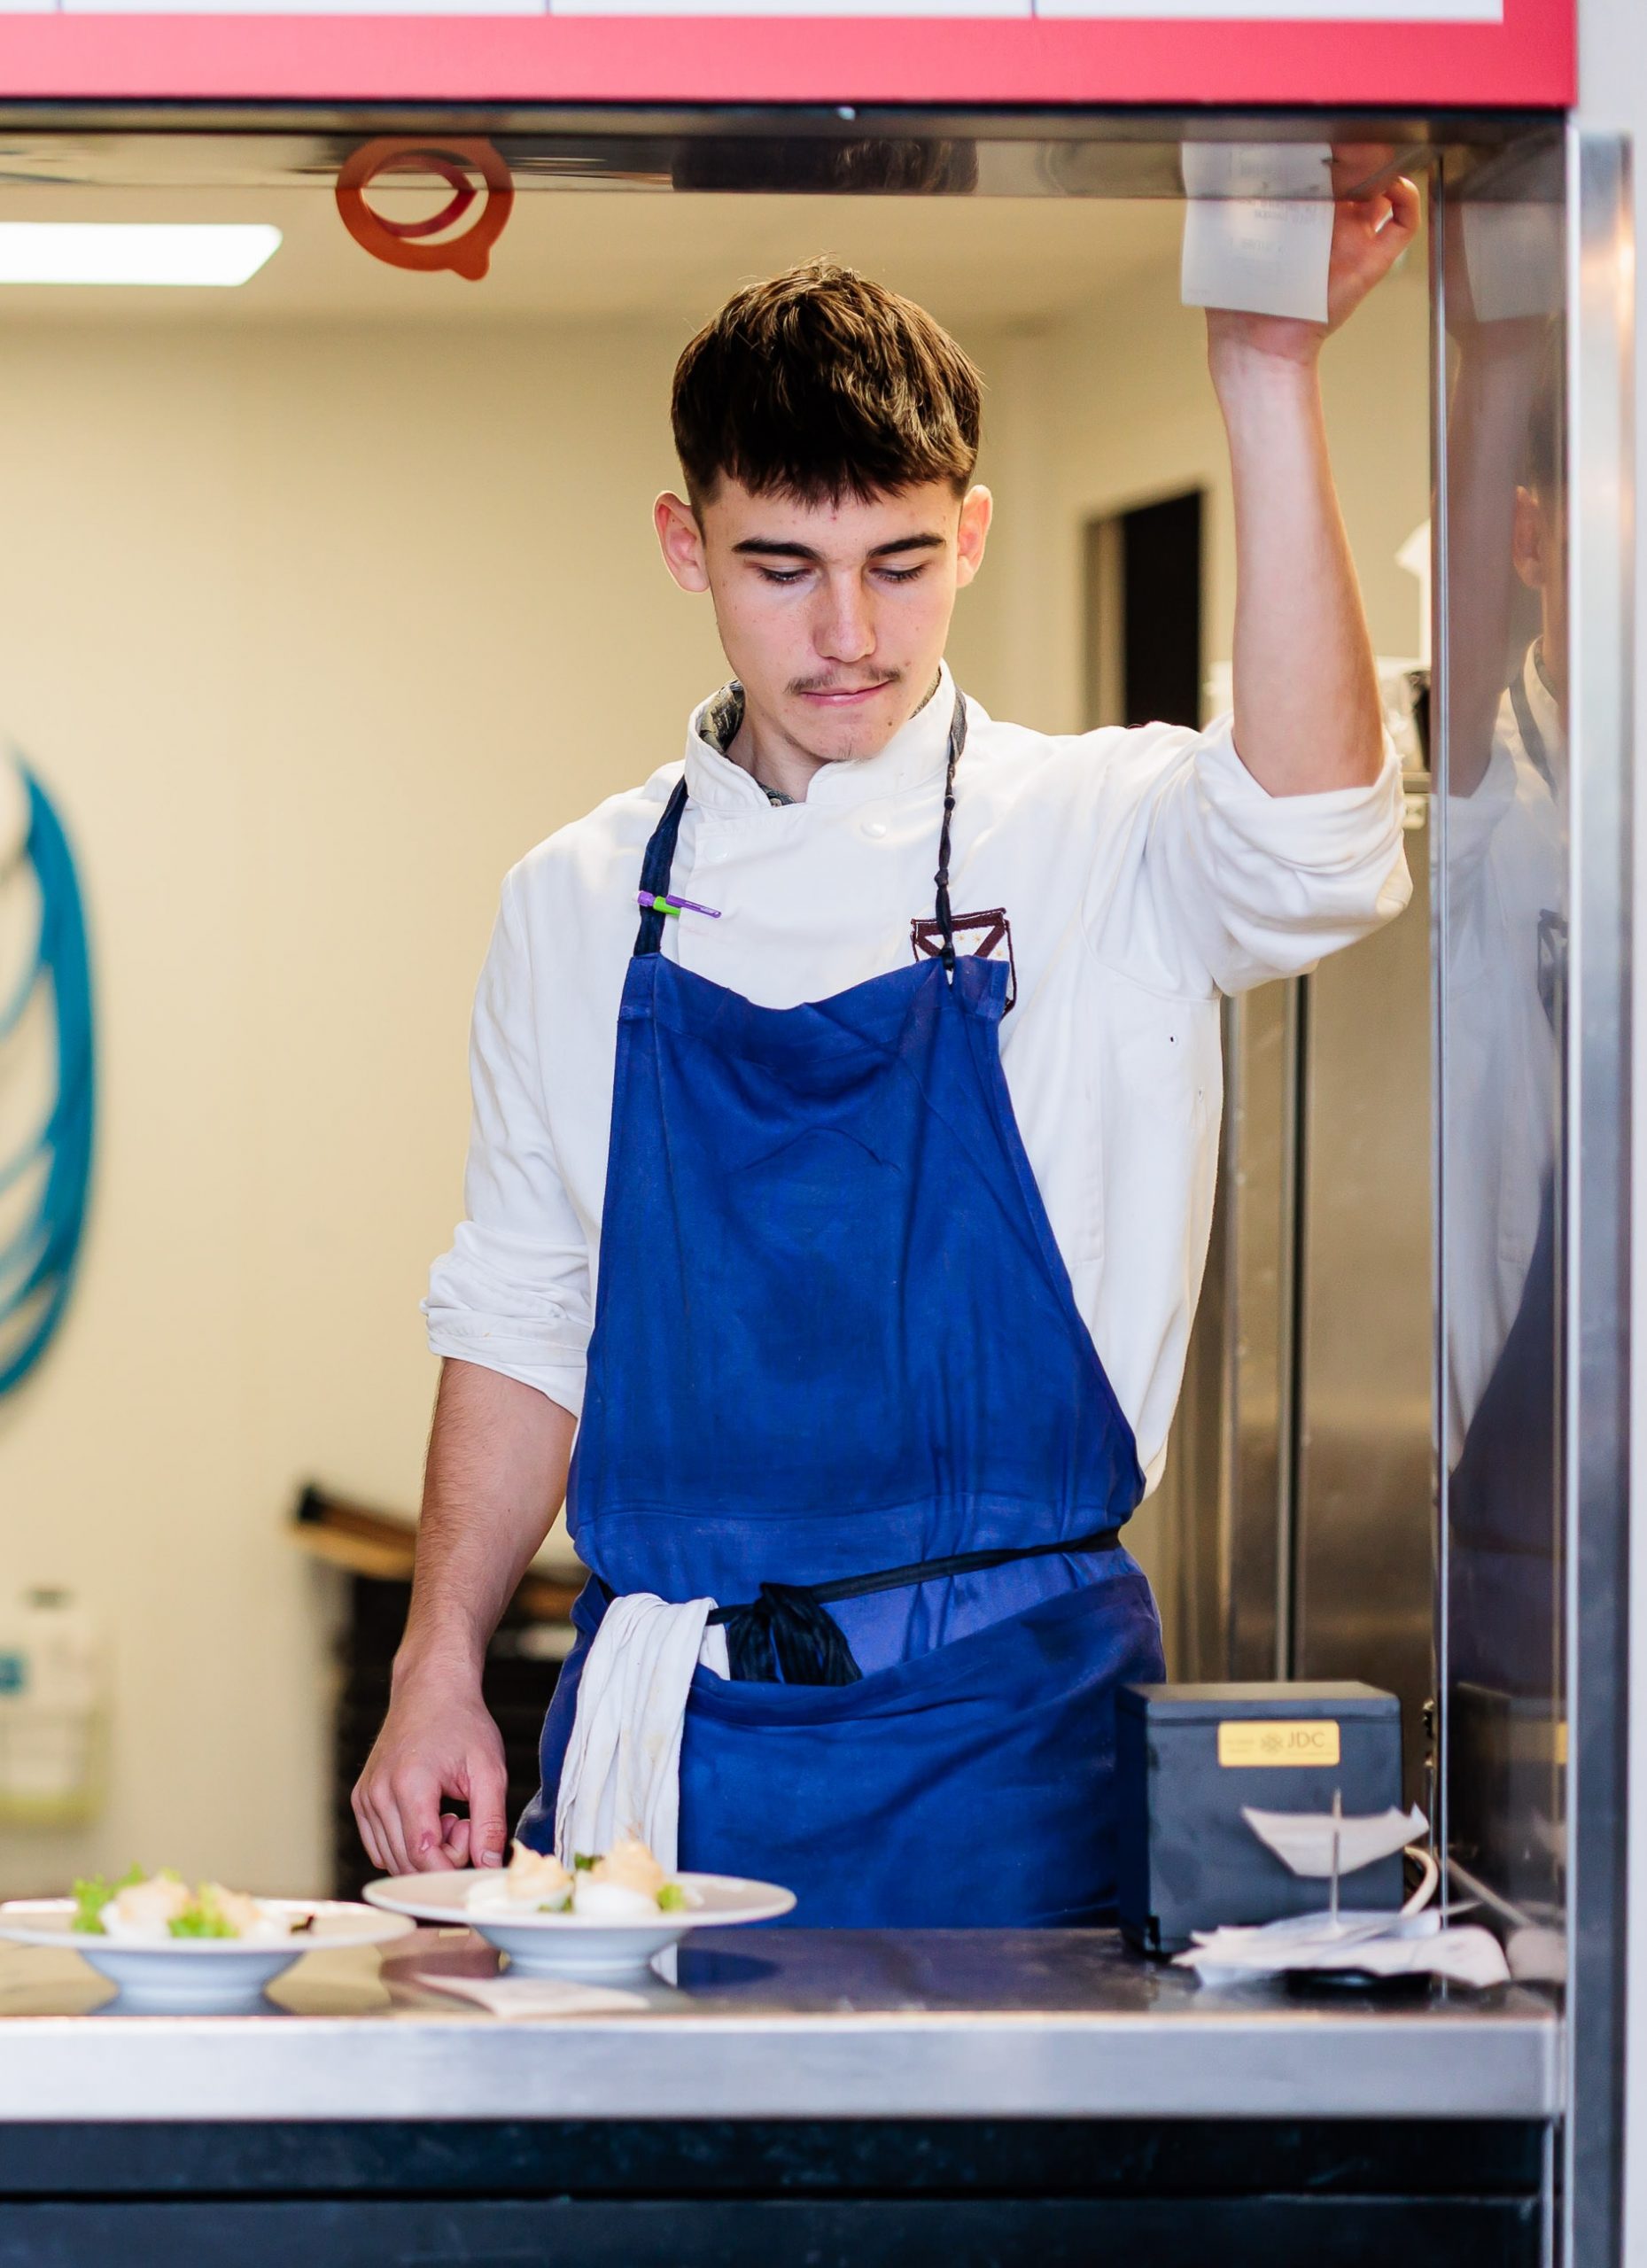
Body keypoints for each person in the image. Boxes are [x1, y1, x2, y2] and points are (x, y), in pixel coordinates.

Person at [354, 192, 1418, 1926]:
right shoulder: (577, 901)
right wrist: (437, 1655)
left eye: (900, 562)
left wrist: (1265, 378)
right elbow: (526, 1309)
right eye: (783, 566)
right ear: (688, 545)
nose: (847, 631)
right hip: (666, 1760)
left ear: (975, 534)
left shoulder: (1096, 834)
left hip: (1014, 1748)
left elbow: (1319, 846)